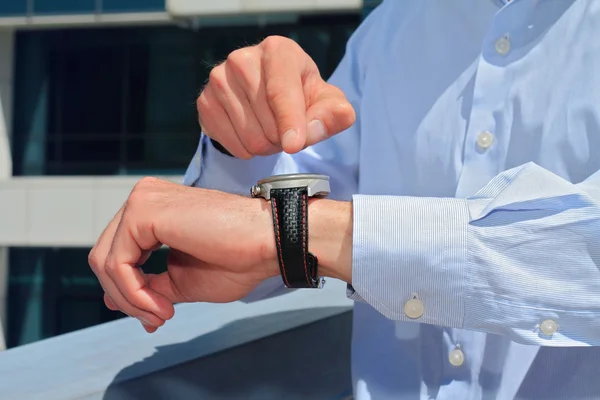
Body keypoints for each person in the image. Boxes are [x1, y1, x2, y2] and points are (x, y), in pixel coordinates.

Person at [88, 0, 600, 398]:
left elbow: (585, 252)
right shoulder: (393, 28)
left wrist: (304, 234)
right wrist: (241, 138)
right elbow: (269, 226)